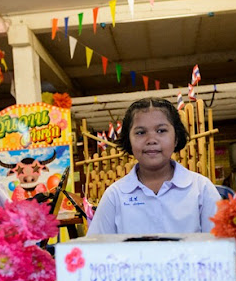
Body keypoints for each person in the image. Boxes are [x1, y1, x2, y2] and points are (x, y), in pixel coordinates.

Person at [87, 97, 221, 235]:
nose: (151, 140)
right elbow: (96, 245)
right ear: (129, 140)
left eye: (161, 131)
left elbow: (221, 243)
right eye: (140, 133)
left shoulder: (201, 189)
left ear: (176, 138)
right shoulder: (114, 196)